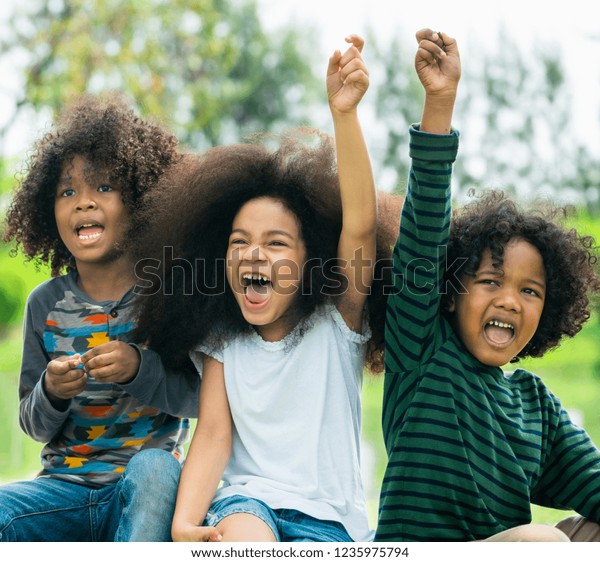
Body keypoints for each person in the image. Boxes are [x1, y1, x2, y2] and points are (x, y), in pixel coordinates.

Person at [133, 34, 397, 542]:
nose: (254, 255)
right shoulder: (223, 342)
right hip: (246, 504)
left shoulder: (337, 323)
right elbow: (211, 435)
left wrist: (344, 115)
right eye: (240, 242)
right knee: (249, 544)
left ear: (310, 261)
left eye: (276, 244)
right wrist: (186, 522)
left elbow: (361, 225)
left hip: (330, 522)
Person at [375, 29, 600, 542]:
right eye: (491, 280)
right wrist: (440, 103)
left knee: (582, 531)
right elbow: (424, 229)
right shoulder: (422, 351)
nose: (508, 299)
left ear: (548, 309)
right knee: (546, 541)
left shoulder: (533, 405)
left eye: (529, 291)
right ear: (451, 291)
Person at [0, 94, 199, 542]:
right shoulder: (43, 305)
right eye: (67, 191)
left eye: (104, 188)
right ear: (48, 212)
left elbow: (198, 398)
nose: (84, 203)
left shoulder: (164, 295)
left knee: (155, 469)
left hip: (142, 493)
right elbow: (32, 424)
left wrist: (139, 367)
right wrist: (51, 391)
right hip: (61, 492)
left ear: (141, 200)